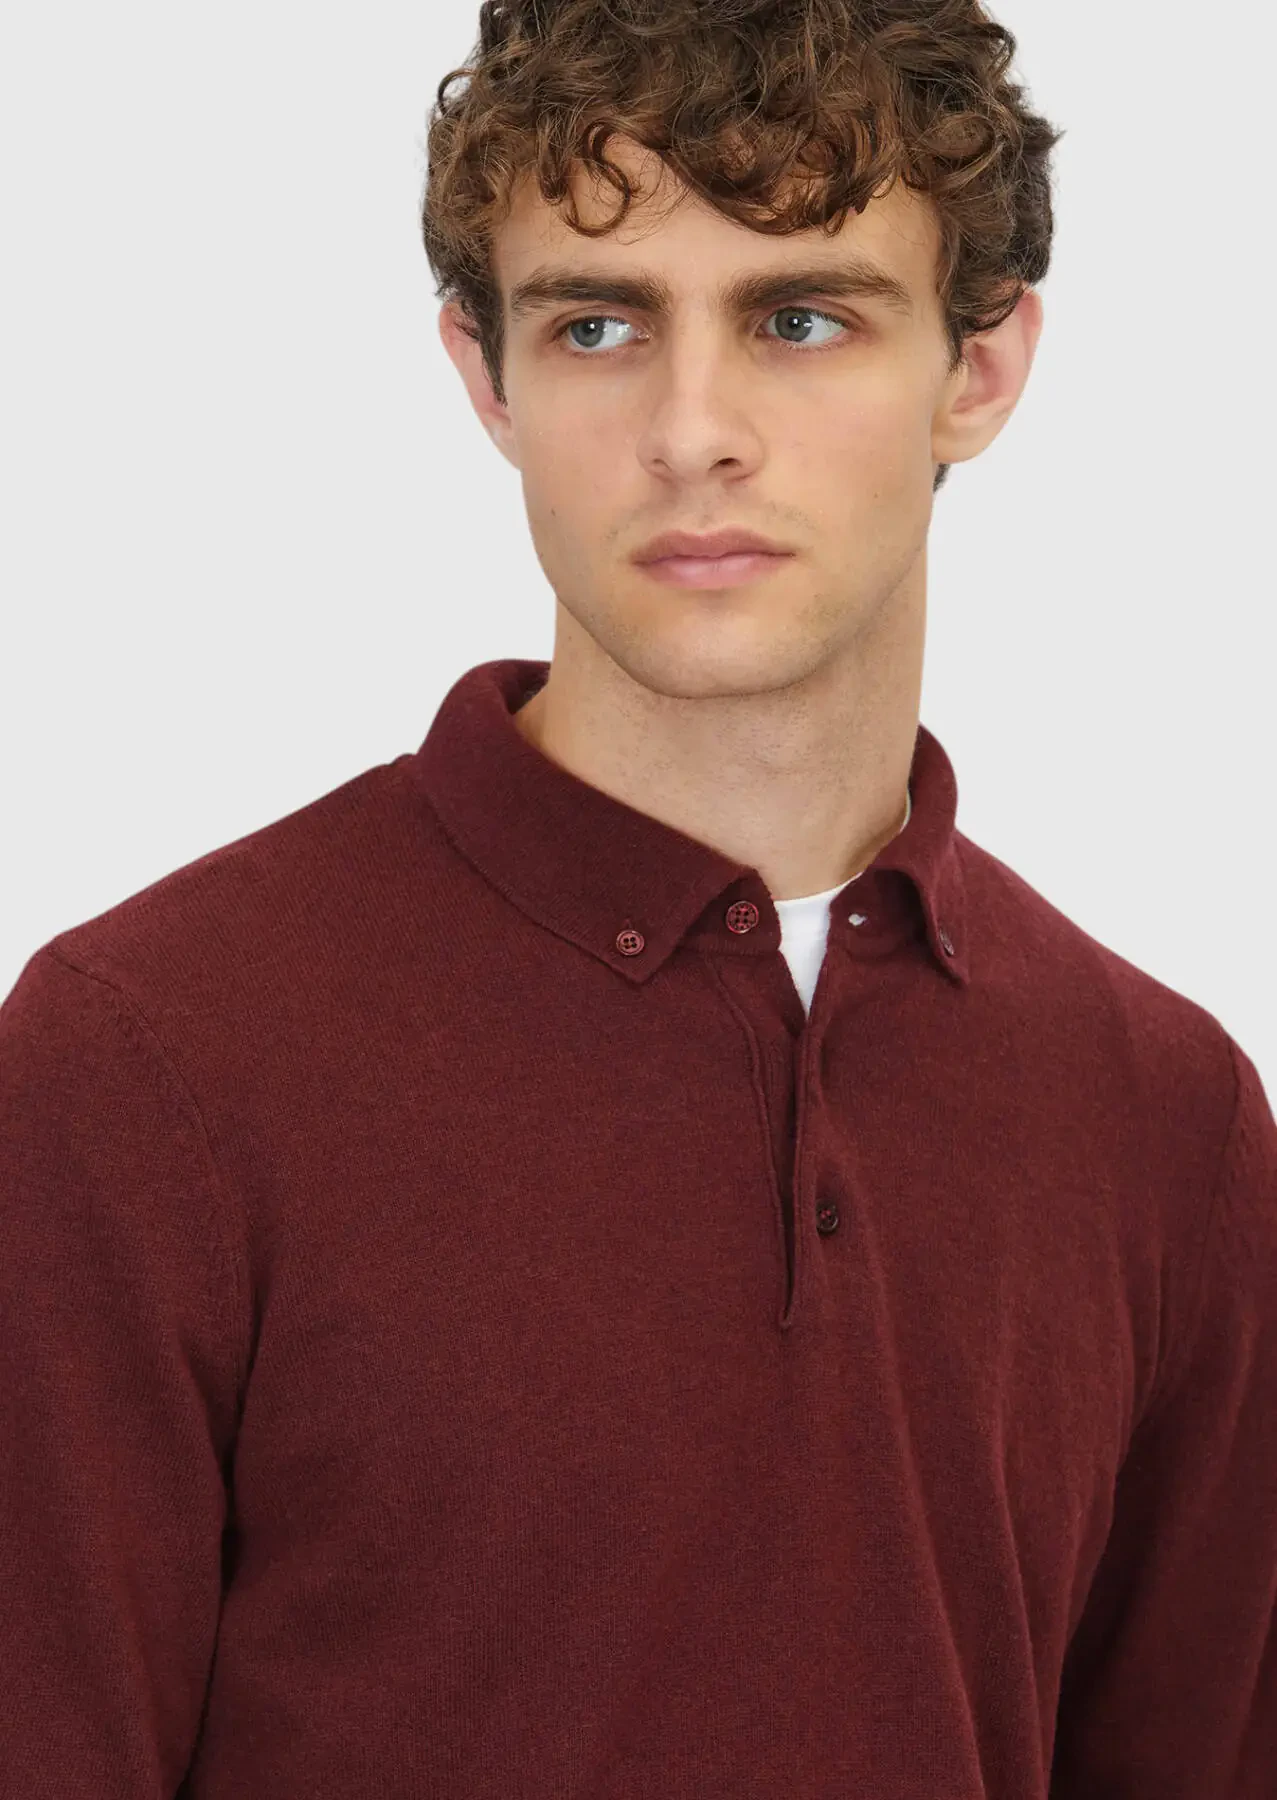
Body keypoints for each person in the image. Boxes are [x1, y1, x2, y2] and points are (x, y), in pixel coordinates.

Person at [3, 2, 1274, 1794]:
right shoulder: (149, 1069)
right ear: (486, 378)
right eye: (597, 326)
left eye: (801, 318)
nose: (694, 433)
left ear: (980, 370)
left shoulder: (1166, 1120)